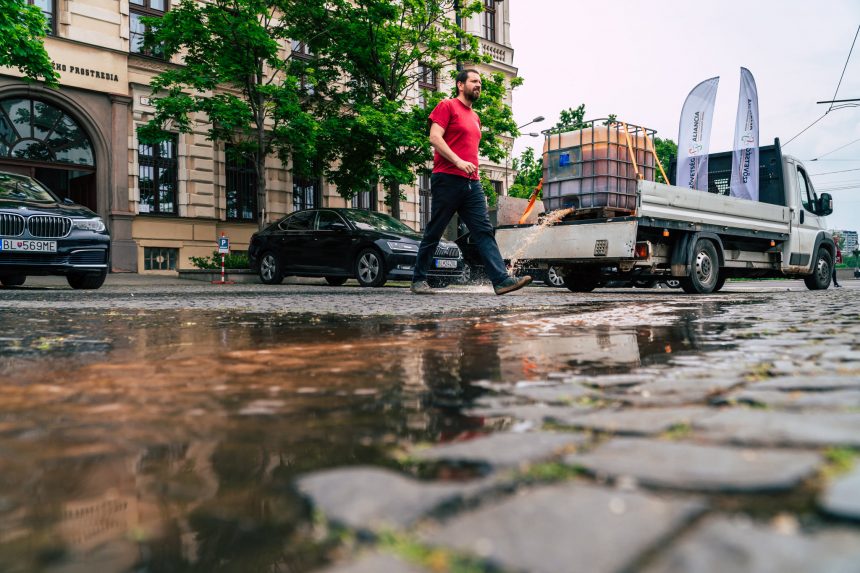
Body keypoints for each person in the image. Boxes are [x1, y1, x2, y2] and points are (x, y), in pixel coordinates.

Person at [411, 69, 532, 296]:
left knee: (484, 230)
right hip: (447, 178)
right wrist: (457, 161)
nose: (479, 85)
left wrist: (470, 169)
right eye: (474, 81)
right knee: (435, 231)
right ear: (460, 85)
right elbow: (434, 137)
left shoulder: (475, 117)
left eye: (480, 82)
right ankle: (418, 280)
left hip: (471, 182)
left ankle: (501, 280)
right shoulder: (446, 106)